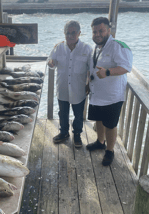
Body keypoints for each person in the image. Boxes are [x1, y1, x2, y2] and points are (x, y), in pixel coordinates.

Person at [87, 17, 133, 166]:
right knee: (99, 120)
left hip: (112, 96)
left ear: (109, 30)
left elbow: (126, 67)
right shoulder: (97, 47)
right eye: (95, 31)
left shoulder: (118, 46)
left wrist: (108, 72)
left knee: (111, 125)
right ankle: (100, 142)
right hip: (97, 94)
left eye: (101, 30)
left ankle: (110, 150)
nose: (97, 34)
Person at [48, 20, 92, 148]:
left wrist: (89, 84)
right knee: (63, 113)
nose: (70, 36)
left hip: (79, 88)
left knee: (78, 115)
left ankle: (77, 134)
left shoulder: (87, 48)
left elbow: (91, 68)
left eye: (73, 33)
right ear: (64, 33)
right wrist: (51, 62)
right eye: (68, 33)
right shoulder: (58, 47)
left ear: (79, 33)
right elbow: (51, 61)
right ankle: (63, 133)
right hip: (62, 87)